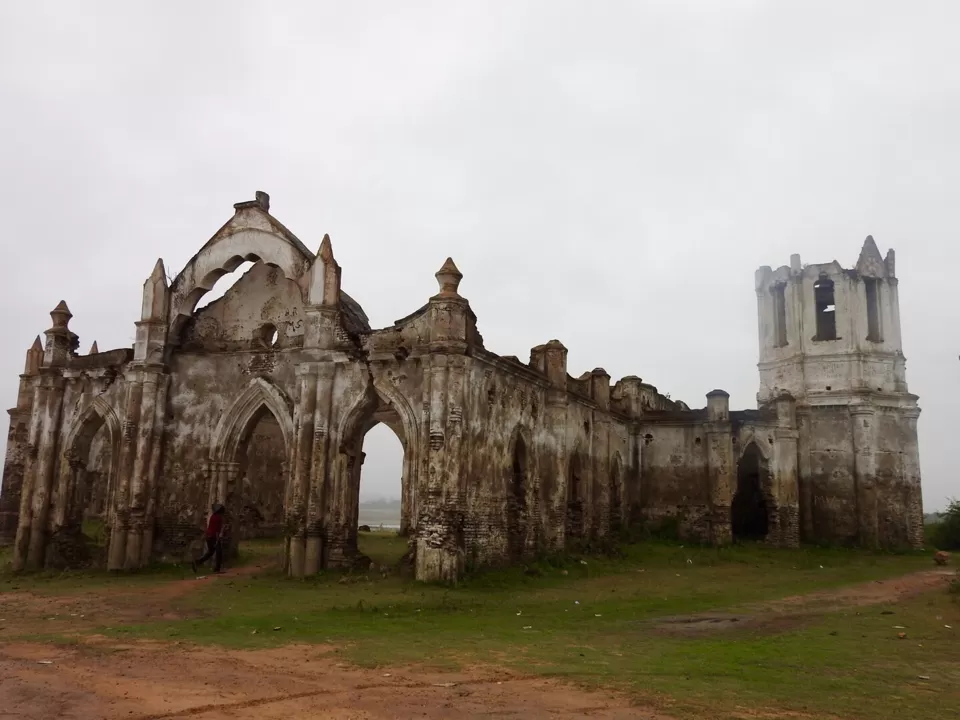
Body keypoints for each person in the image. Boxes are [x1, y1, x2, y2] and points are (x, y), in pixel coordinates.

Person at [191, 503, 226, 573]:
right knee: (219, 552)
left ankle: (197, 562)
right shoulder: (219, 518)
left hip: (208, 536)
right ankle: (217, 569)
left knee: (210, 552)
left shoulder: (213, 516)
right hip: (214, 536)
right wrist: (218, 539)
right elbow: (217, 529)